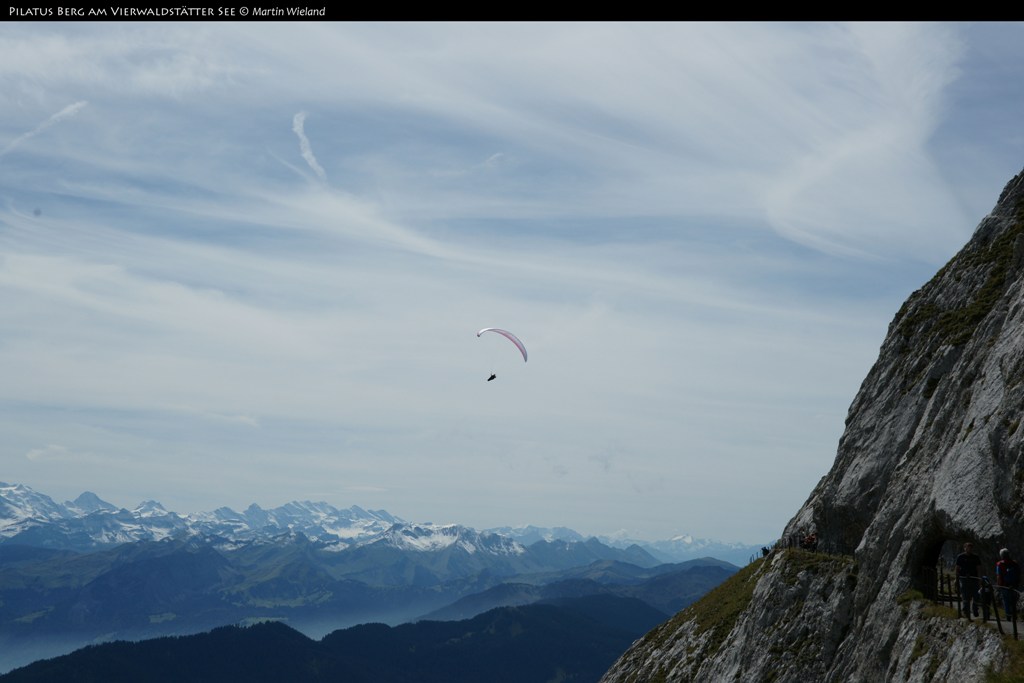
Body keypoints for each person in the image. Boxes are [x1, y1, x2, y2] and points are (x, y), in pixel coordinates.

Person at [955, 542, 982, 619]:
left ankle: (975, 609)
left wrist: (980, 579)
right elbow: (957, 568)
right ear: (965, 548)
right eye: (967, 547)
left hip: (974, 578)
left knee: (976, 595)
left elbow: (979, 568)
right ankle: (966, 610)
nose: (969, 549)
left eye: (970, 548)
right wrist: (957, 579)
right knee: (965, 595)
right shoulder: (960, 557)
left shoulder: (975, 557)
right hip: (963, 578)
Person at [996, 547, 1020, 621]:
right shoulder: (1014, 563)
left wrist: (999, 585)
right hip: (1014, 585)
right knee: (1013, 601)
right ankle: (1014, 615)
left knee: (1006, 600)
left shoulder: (1000, 564)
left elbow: (999, 576)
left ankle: (1008, 616)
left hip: (1005, 585)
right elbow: (1019, 574)